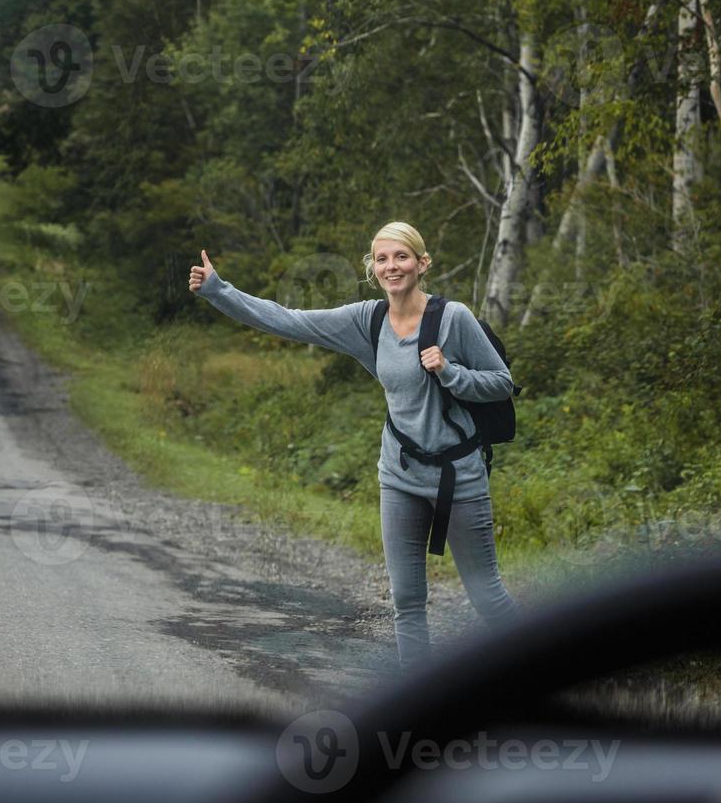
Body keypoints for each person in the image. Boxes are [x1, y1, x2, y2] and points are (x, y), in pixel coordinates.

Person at [188, 221, 522, 673]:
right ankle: (420, 707)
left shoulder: (454, 319)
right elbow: (291, 320)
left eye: (401, 256)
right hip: (400, 474)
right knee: (407, 600)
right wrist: (218, 290)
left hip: (458, 476)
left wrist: (450, 373)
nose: (392, 266)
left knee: (487, 596)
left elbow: (502, 384)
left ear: (422, 264)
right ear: (373, 268)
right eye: (382, 258)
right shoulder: (368, 321)